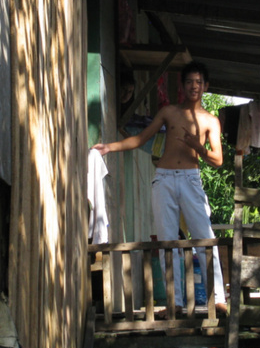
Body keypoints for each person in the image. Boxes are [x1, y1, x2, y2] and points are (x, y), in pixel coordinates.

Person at [93, 61, 227, 315]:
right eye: (189, 82)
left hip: (190, 179)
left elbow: (218, 160)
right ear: (182, 85)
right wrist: (109, 147)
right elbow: (141, 139)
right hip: (164, 178)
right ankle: (175, 303)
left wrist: (197, 147)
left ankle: (218, 297)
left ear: (205, 86)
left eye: (199, 82)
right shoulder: (169, 111)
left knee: (204, 238)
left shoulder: (210, 120)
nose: (194, 86)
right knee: (168, 240)